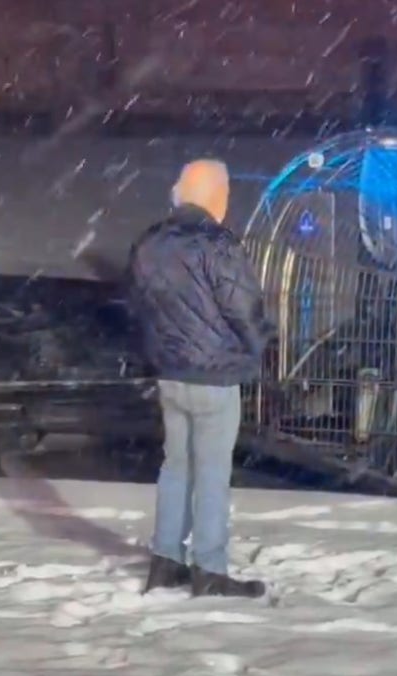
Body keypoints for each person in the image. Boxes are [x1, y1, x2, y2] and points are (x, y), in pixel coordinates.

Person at [128, 159, 271, 598]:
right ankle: (209, 569)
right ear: (213, 195)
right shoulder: (217, 244)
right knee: (211, 472)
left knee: (176, 467)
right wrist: (262, 344)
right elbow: (243, 309)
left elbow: (137, 304)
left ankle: (165, 560)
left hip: (169, 373)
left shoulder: (149, 242)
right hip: (214, 375)